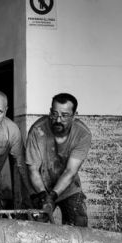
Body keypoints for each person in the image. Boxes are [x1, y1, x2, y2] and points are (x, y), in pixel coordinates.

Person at [24, 93, 92, 226]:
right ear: (50, 112)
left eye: (65, 115)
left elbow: (70, 171)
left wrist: (53, 196)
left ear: (74, 115)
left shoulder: (83, 134)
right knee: (33, 228)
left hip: (68, 187)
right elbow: (33, 170)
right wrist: (44, 197)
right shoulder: (37, 130)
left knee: (79, 225)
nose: (58, 120)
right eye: (54, 114)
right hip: (40, 187)